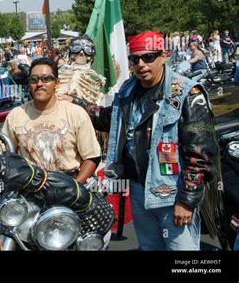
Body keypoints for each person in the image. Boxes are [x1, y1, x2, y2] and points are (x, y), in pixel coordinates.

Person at [63, 31, 219, 250]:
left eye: (148, 57)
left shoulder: (186, 92)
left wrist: (187, 199)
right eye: (135, 59)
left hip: (173, 195)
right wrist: (75, 102)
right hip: (139, 191)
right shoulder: (128, 90)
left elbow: (201, 151)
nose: (141, 64)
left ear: (163, 55)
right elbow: (110, 119)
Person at [0, 57, 101, 249]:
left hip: (67, 187)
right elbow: (5, 154)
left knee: (90, 241)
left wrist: (73, 187)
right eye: (34, 79)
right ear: (28, 84)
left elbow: (91, 157)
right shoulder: (16, 115)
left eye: (46, 78)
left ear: (56, 83)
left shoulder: (75, 113)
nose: (39, 83)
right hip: (25, 191)